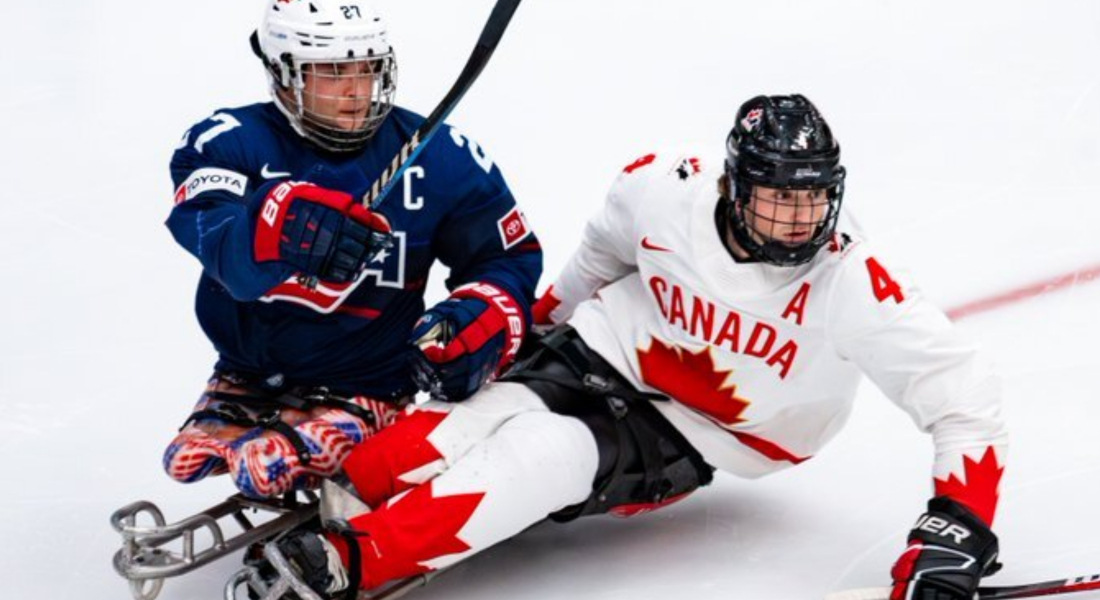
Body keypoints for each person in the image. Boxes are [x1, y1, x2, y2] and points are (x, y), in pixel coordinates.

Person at [263, 94, 1007, 600]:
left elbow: (963, 397)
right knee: (460, 427)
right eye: (780, 198)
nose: (798, 221)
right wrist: (533, 326)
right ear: (734, 185)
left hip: (697, 430)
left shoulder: (852, 281)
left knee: (543, 455)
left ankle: (356, 560)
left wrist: (960, 525)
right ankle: (352, 484)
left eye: (813, 199)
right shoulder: (661, 188)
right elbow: (598, 260)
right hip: (598, 352)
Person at [162, 0, 541, 499]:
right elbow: (209, 230)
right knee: (184, 461)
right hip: (245, 370)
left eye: (368, 69)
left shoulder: (442, 156)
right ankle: (258, 392)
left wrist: (483, 316)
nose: (357, 90)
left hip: (369, 382)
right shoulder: (228, 142)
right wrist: (276, 228)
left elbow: (505, 256)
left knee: (263, 465)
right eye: (333, 71)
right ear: (281, 72)